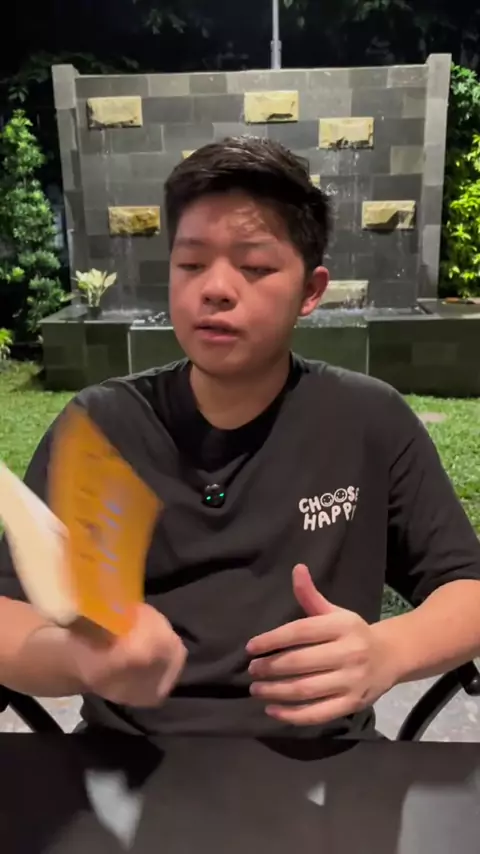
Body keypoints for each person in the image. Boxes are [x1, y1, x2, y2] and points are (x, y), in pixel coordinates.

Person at [0, 136, 480, 739]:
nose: (216, 289)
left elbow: (467, 588)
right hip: (125, 759)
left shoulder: (367, 421)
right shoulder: (102, 425)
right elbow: (9, 614)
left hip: (322, 756)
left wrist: (389, 650)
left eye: (254, 267)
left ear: (311, 290)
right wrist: (82, 660)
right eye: (191, 264)